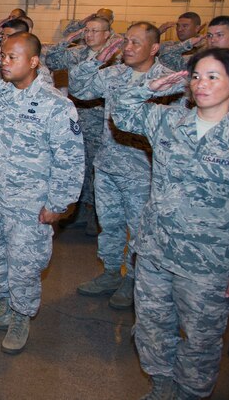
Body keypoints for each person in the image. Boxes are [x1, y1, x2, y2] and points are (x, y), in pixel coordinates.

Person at [111, 48, 229, 400]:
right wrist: (151, 85)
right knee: (152, 325)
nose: (202, 84)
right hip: (156, 251)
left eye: (213, 76)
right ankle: (160, 381)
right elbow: (122, 112)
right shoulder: (169, 121)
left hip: (208, 263)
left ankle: (189, 392)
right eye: (196, 76)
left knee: (201, 338)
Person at [0, 32, 84, 354]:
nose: (4, 62)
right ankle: (3, 307)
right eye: (2, 56)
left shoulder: (55, 105)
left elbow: (69, 159)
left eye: (12, 57)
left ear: (33, 61)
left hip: (31, 206)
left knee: (25, 265)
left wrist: (58, 204)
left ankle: (21, 317)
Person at [71, 22, 181, 309]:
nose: (127, 48)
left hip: (143, 172)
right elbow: (79, 89)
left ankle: (133, 279)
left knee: (139, 232)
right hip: (107, 164)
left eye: (135, 43)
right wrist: (97, 59)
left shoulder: (170, 82)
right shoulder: (115, 74)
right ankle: (110, 273)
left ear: (154, 48)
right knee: (110, 225)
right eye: (126, 42)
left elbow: (179, 130)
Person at [44, 17, 114, 235]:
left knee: (98, 170)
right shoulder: (78, 53)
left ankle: (96, 215)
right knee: (78, 167)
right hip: (78, 119)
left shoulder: (116, 58)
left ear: (107, 34)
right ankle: (80, 211)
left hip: (104, 121)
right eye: (87, 30)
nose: (90, 34)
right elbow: (52, 61)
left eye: (95, 30)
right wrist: (67, 39)